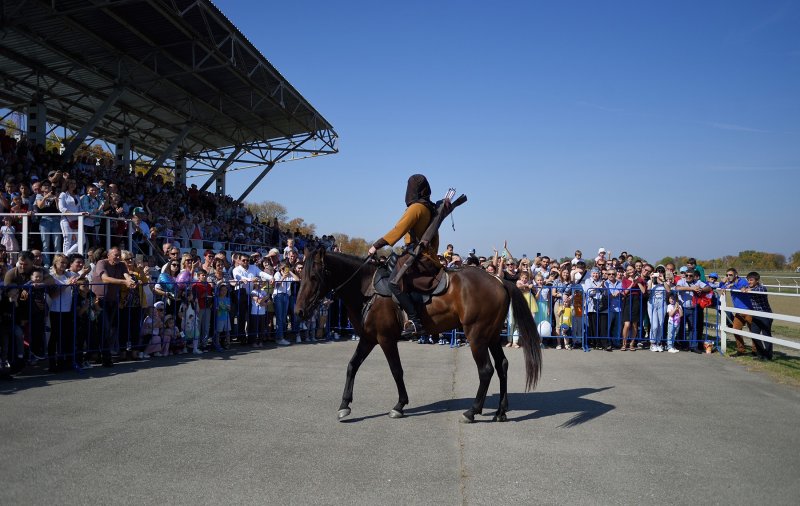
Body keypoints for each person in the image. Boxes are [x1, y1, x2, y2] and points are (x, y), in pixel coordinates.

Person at [367, 174, 440, 337]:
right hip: (428, 255)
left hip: (416, 255)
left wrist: (376, 245)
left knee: (393, 283)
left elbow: (398, 230)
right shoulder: (430, 208)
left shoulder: (416, 208)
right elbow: (435, 238)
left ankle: (415, 321)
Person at [91, 246, 138, 367]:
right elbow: (105, 279)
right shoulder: (102, 263)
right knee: (103, 329)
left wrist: (130, 280)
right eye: (115, 255)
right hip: (99, 301)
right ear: (108, 255)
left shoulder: (121, 265)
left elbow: (126, 275)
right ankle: (104, 357)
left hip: (113, 301)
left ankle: (105, 356)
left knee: (110, 330)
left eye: (119, 255)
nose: (117, 257)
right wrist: (124, 282)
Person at [720, 268, 755, 356]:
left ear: (736, 274)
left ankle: (755, 351)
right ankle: (741, 350)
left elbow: (741, 288)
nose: (728, 277)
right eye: (727, 275)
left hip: (748, 310)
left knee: (753, 331)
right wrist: (723, 283)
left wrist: (731, 285)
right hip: (738, 311)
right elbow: (721, 287)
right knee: (736, 330)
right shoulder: (729, 282)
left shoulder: (742, 281)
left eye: (730, 275)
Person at [742, 272, 773, 360]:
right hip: (755, 315)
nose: (749, 282)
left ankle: (768, 356)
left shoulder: (761, 287)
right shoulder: (749, 287)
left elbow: (760, 290)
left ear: (757, 280)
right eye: (748, 280)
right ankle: (760, 354)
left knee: (766, 335)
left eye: (751, 280)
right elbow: (743, 288)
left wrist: (749, 290)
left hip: (765, 315)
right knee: (754, 335)